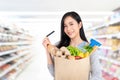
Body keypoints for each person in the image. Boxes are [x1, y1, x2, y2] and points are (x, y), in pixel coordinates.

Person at [42, 11, 102, 80]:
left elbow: (97, 75)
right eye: (65, 26)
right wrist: (47, 49)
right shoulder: (59, 46)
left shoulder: (89, 48)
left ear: (80, 25)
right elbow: (54, 73)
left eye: (71, 24)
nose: (68, 29)